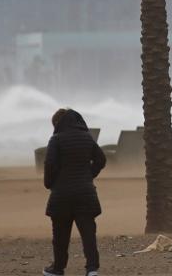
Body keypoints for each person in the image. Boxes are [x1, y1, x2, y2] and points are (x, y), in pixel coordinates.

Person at [43, 107, 107, 276]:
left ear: (57, 123)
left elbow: (49, 165)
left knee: (60, 236)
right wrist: (88, 176)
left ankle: (57, 268)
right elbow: (101, 159)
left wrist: (50, 184)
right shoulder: (87, 138)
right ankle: (92, 269)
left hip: (61, 195)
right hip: (85, 194)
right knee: (88, 235)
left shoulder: (56, 139)